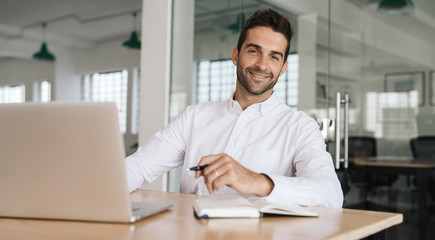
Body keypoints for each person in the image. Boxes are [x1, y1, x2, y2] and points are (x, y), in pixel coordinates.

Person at [125, 9, 343, 208]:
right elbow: (140, 166)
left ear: (283, 68)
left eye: (274, 57)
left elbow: (330, 194)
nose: (262, 64)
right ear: (236, 56)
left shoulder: (300, 126)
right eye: (254, 51)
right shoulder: (195, 117)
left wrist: (258, 181)